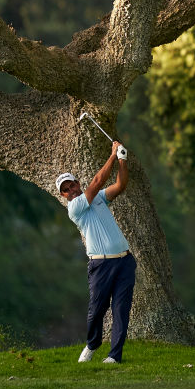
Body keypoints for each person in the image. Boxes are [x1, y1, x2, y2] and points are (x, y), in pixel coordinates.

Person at [56, 140, 136, 364]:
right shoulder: (75, 208)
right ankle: (92, 344)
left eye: (72, 185)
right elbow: (98, 180)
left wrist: (122, 160)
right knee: (97, 309)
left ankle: (114, 356)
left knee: (121, 310)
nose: (71, 190)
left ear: (77, 183)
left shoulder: (99, 198)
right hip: (100, 265)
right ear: (63, 195)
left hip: (125, 261)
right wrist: (112, 155)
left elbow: (120, 186)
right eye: (66, 190)